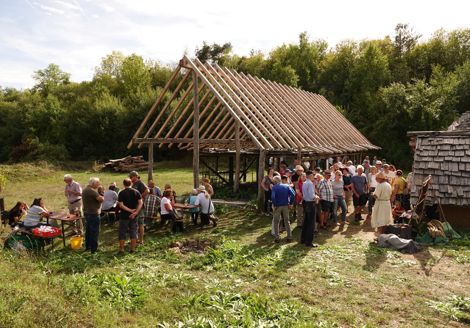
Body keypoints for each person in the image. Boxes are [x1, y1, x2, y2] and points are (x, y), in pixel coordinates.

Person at [118, 178, 143, 253]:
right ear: (131, 183)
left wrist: (129, 210)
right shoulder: (136, 192)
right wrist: (135, 212)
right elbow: (140, 203)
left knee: (122, 232)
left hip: (124, 216)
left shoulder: (121, 193)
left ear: (123, 184)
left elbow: (121, 205)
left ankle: (122, 249)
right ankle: (132, 249)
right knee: (133, 232)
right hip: (134, 216)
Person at [82, 177, 104, 253]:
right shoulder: (92, 191)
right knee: (95, 231)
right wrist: (102, 195)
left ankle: (88, 246)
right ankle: (94, 249)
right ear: (93, 183)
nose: (99, 184)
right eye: (98, 183)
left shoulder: (85, 190)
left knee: (88, 231)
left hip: (87, 213)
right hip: (93, 214)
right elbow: (101, 199)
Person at [271, 175, 295, 243]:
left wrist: (274, 204)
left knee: (276, 221)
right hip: (285, 205)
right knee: (287, 221)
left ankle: (277, 237)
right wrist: (291, 203)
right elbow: (293, 194)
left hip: (278, 206)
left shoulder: (274, 187)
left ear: (275, 181)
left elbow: (273, 197)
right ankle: (289, 237)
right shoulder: (287, 186)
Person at [129, 171, 149, 245]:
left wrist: (140, 197)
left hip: (140, 207)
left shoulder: (140, 183)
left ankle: (141, 241)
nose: (130, 178)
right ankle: (136, 239)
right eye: (130, 177)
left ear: (136, 176)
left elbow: (147, 190)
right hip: (135, 207)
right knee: (135, 223)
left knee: (140, 223)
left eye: (131, 177)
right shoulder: (134, 184)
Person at [300, 170, 318, 247]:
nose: (313, 176)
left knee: (306, 222)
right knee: (311, 223)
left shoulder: (304, 183)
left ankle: (303, 239)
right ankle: (309, 242)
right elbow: (311, 196)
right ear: (310, 176)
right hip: (310, 203)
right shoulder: (310, 183)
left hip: (306, 203)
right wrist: (316, 197)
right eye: (312, 175)